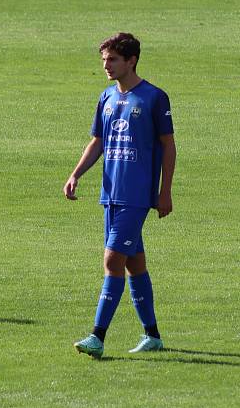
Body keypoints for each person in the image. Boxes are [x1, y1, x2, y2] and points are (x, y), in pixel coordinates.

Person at [64, 33, 176, 359]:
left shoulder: (154, 98)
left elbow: (168, 145)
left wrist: (164, 192)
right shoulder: (107, 98)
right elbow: (98, 141)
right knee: (134, 265)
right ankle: (152, 335)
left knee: (112, 261)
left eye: (112, 60)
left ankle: (97, 337)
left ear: (131, 61)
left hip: (137, 196)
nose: (106, 66)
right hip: (110, 194)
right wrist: (75, 174)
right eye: (103, 60)